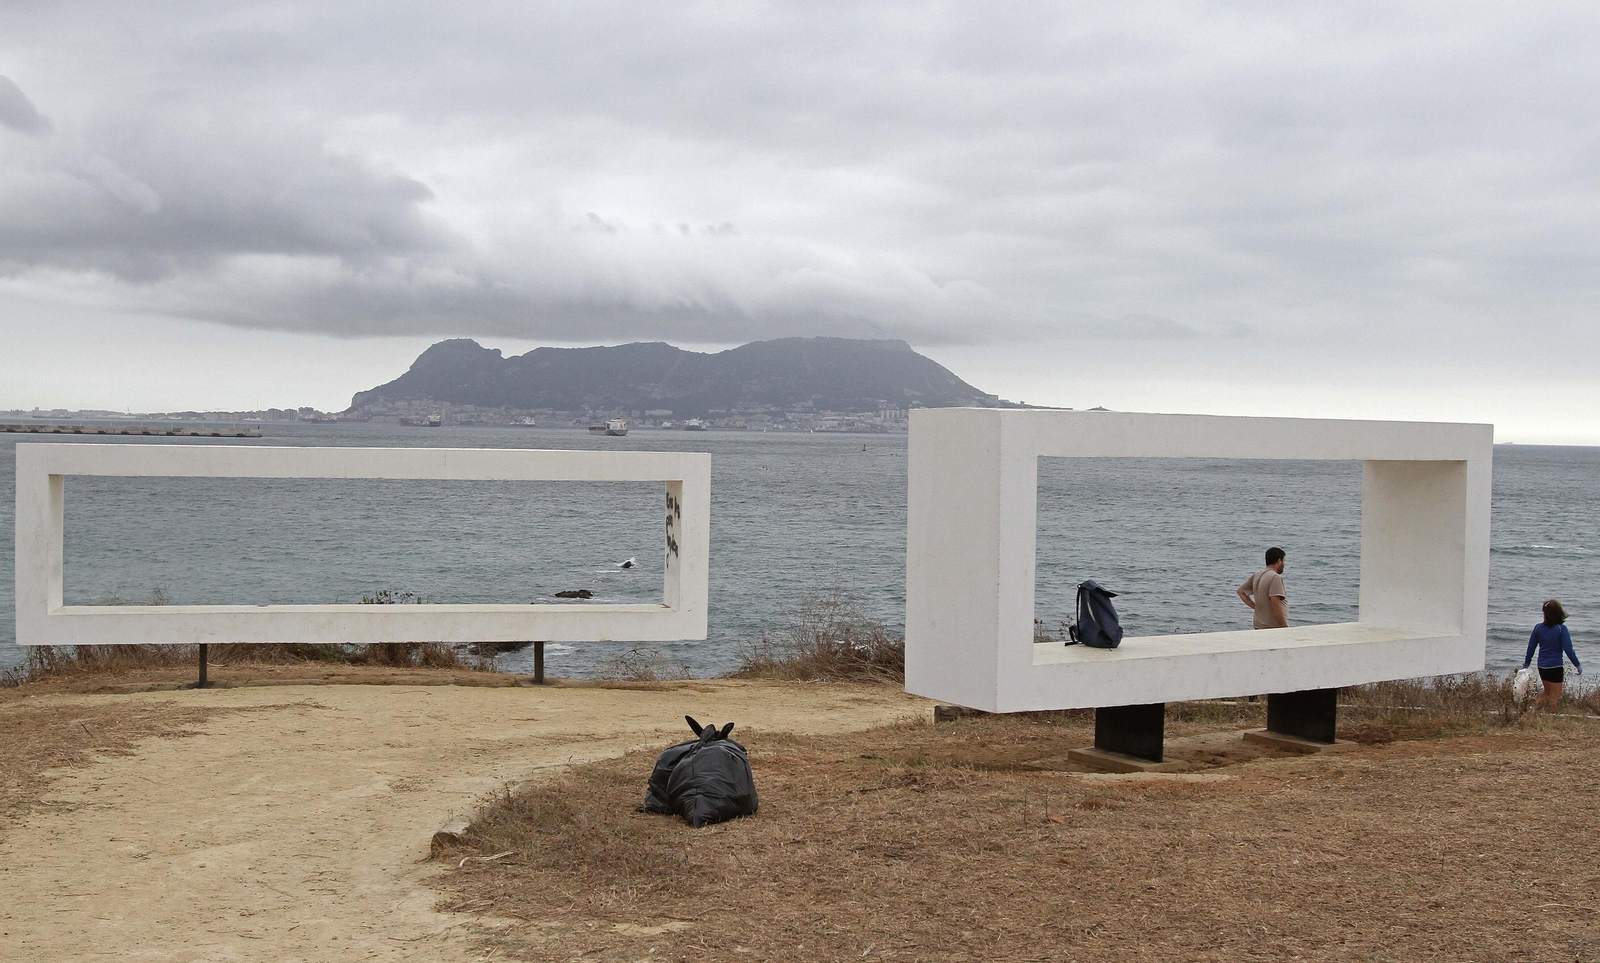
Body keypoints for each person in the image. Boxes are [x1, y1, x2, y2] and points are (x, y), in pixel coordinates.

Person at [1524, 599, 1581, 712]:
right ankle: (1551, 716)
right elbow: (1568, 649)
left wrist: (1526, 663)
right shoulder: (1561, 629)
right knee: (1555, 696)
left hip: (1542, 666)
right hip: (1555, 666)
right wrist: (1577, 664)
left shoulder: (1538, 628)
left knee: (1547, 692)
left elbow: (1531, 647)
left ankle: (1533, 709)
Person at [1237, 547, 1288, 629]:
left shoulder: (1257, 574)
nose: (1284, 564)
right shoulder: (1275, 577)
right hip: (1272, 626)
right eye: (1284, 560)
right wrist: (1284, 627)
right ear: (1279, 561)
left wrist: (1256, 607)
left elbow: (1240, 591)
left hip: (1259, 624)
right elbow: (1275, 604)